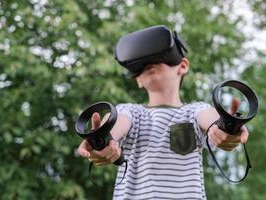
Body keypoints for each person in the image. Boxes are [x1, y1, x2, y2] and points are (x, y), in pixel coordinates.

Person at [77, 25, 249, 200]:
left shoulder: (194, 112)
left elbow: (211, 119)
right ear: (138, 80)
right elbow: (116, 123)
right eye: (141, 66)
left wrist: (228, 126)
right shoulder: (131, 112)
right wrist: (102, 138)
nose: (149, 65)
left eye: (158, 59)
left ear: (182, 66)